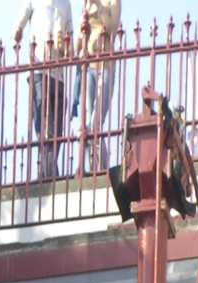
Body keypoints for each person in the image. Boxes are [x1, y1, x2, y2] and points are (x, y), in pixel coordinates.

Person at [14, 0, 74, 183]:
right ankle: (48, 172)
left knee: (56, 127)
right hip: (39, 67)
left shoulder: (66, 4)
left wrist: (66, 48)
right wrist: (18, 29)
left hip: (58, 73)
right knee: (42, 121)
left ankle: (47, 170)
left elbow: (70, 36)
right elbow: (23, 16)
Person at [72, 0, 121, 175]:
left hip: (105, 66)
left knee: (94, 123)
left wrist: (99, 7)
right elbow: (76, 47)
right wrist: (80, 29)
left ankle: (102, 169)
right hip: (88, 67)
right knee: (85, 126)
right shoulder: (85, 4)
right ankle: (94, 168)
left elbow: (113, 27)